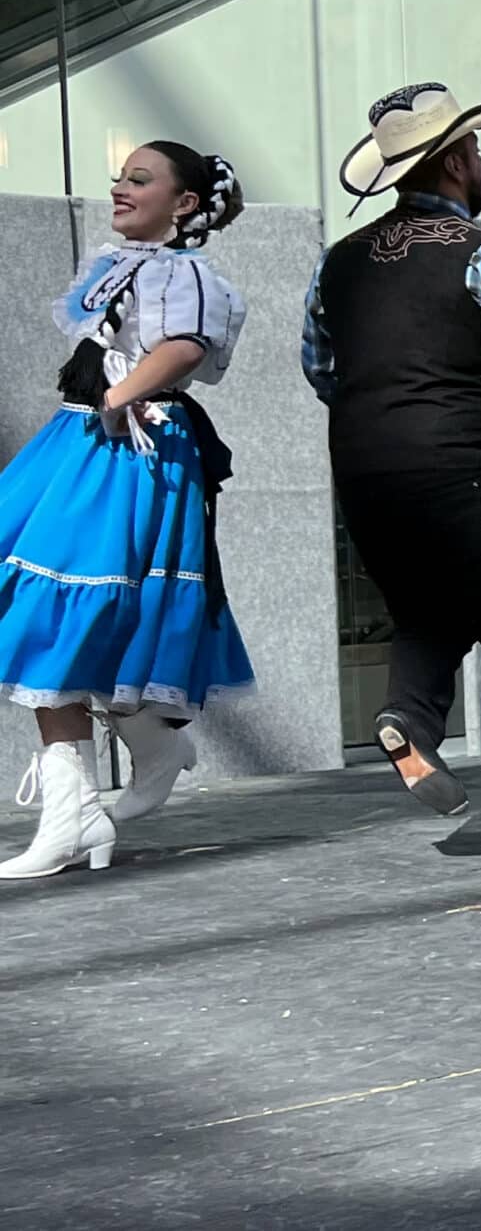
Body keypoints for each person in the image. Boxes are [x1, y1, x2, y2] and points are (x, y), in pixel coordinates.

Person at [304, 84, 481, 854]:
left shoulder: (340, 262)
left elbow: (321, 366)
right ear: (460, 158)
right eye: (478, 149)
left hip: (366, 478)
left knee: (430, 608)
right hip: (463, 464)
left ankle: (409, 714)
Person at [0, 143, 250, 878]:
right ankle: (116, 774)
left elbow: (182, 345)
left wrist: (118, 396)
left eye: (139, 179)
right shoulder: (126, 265)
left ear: (186, 205)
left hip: (133, 448)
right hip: (82, 443)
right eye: (120, 177)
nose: (119, 187)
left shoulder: (183, 271)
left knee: (69, 610)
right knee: (46, 609)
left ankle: (89, 801)